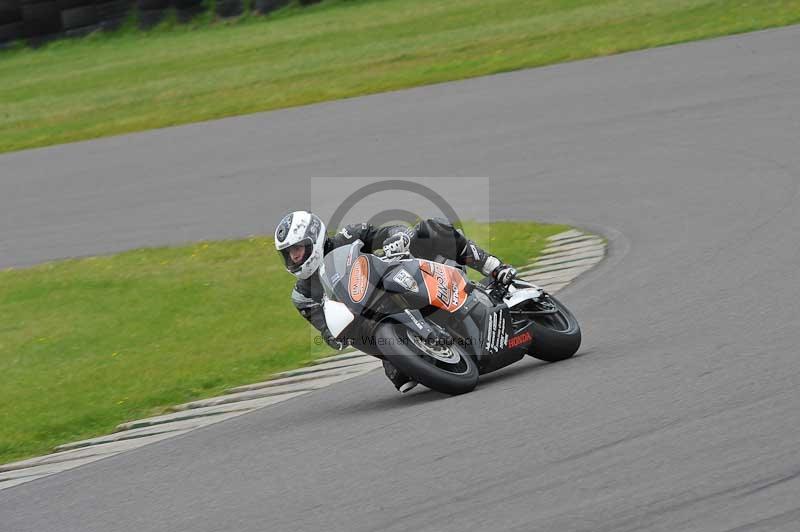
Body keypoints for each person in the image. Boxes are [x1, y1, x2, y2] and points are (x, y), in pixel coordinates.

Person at [274, 211, 516, 393]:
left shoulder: (348, 236)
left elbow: (386, 232)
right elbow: (327, 332)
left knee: (430, 228)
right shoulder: (303, 295)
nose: (294, 257)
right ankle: (409, 354)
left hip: (399, 281)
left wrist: (398, 237)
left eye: (298, 249)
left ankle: (493, 267)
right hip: (371, 324)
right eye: (288, 253)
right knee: (401, 378)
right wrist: (333, 334)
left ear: (314, 239)